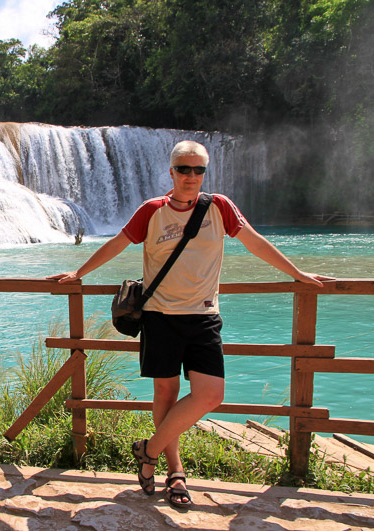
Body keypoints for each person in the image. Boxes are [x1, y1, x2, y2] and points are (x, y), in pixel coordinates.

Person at [48, 140, 332, 508]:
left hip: (203, 318)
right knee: (165, 395)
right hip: (160, 319)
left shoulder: (220, 208)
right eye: (184, 169)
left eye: (199, 170)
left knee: (211, 394)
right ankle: (174, 471)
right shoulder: (151, 211)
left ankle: (147, 451)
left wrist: (296, 272)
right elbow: (118, 243)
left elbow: (256, 243)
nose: (192, 176)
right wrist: (79, 271)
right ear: (171, 172)